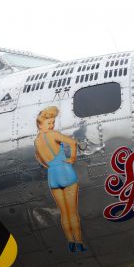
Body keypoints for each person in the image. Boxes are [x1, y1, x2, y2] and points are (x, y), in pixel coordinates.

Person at [34, 106, 87, 252]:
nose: (51, 126)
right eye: (49, 123)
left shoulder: (37, 141)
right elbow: (72, 143)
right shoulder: (53, 135)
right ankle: (79, 242)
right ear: (40, 124)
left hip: (53, 177)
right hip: (66, 172)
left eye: (52, 123)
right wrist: (72, 158)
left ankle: (70, 242)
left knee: (64, 213)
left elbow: (39, 159)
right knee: (72, 212)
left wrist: (50, 165)